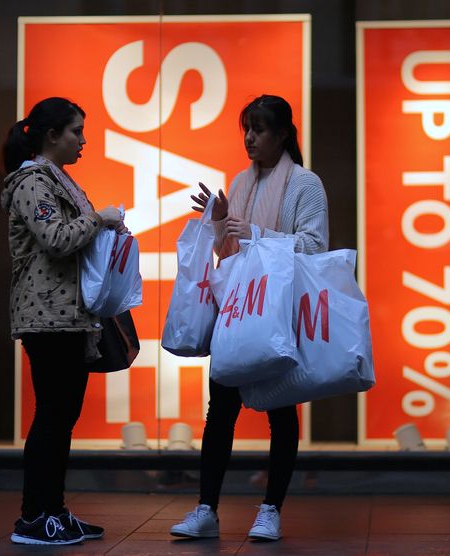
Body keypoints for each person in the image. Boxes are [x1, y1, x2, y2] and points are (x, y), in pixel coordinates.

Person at [170, 95, 329, 542]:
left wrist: (255, 233)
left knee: (281, 410)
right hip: (237, 311)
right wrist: (221, 222)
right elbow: (227, 253)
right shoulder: (239, 183)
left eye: (260, 129)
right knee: (219, 412)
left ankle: (271, 509)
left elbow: (315, 248)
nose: (250, 138)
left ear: (283, 134)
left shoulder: (305, 183)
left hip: (278, 311)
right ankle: (206, 508)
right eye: (247, 129)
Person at [1, 97, 125, 545]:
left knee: (62, 416)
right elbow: (55, 238)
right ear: (52, 136)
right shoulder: (33, 181)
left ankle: (53, 510)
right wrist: (99, 218)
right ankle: (34, 517)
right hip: (46, 318)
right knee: (53, 416)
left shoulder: (57, 179)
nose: (83, 141)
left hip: (68, 316)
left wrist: (104, 229)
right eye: (76, 132)